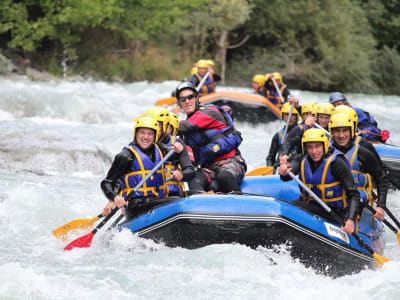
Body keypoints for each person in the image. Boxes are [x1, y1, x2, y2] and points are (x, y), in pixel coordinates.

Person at [278, 128, 360, 234]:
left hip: (334, 212)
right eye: (310, 147)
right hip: (312, 206)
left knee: (294, 207)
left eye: (317, 146)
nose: (314, 151)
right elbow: (287, 175)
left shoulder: (337, 163)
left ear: (324, 145)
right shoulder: (301, 159)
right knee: (288, 207)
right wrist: (283, 172)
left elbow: (354, 194)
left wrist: (350, 220)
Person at [175, 80, 247, 193]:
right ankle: (200, 208)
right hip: (209, 169)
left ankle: (241, 205)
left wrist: (160, 125)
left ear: (197, 97)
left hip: (231, 162)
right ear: (179, 102)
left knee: (224, 177)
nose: (187, 101)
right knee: (194, 179)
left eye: (190, 97)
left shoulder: (208, 112)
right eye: (182, 99)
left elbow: (182, 127)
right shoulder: (187, 133)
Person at [101, 116, 167, 219]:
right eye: (142, 132)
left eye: (150, 134)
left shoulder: (160, 150)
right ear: (136, 134)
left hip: (157, 201)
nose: (145, 137)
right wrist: (114, 197)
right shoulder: (125, 156)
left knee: (176, 200)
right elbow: (107, 183)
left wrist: (179, 148)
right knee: (173, 202)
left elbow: (175, 150)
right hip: (136, 206)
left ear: (155, 136)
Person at [328, 113, 388, 220]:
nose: (341, 135)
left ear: (351, 131)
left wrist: (381, 206)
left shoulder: (363, 153)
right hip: (332, 198)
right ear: (331, 132)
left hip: (356, 200)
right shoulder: (324, 151)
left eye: (345, 130)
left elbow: (381, 178)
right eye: (337, 131)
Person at [143, 107, 196, 197]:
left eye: (157, 125)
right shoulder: (137, 144)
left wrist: (181, 174)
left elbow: (191, 172)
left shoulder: (178, 144)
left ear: (164, 126)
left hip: (169, 195)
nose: (153, 129)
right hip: (145, 195)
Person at [266, 102, 300, 168]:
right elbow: (270, 157)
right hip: (281, 167)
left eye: (293, 115)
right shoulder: (278, 136)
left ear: (297, 117)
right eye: (287, 114)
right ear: (283, 116)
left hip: (296, 167)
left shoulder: (302, 133)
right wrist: (269, 168)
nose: (290, 117)